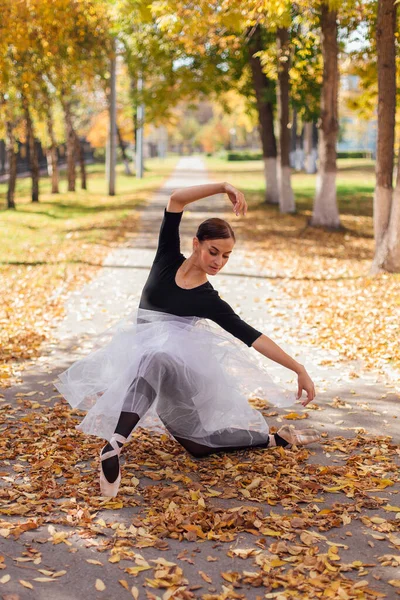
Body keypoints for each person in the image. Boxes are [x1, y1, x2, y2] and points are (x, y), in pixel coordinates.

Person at [55, 181, 319, 497]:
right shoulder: (167, 257)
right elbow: (176, 199)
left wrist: (298, 368)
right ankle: (115, 446)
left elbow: (252, 336)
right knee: (184, 416)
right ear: (196, 243)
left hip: (180, 376)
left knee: (191, 428)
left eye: (226, 256)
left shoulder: (208, 299)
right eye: (213, 251)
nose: (218, 261)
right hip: (144, 370)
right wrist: (224, 187)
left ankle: (275, 439)